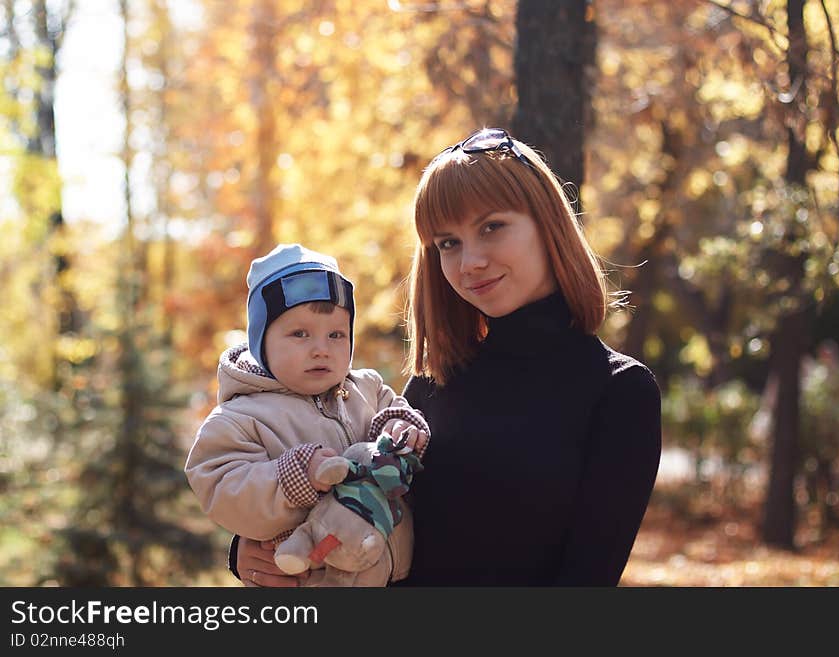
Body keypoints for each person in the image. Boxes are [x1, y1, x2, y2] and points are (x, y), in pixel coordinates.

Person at [237, 127, 661, 586]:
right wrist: (253, 550)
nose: (469, 262)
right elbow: (351, 500)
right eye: (448, 243)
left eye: (491, 227)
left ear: (548, 224)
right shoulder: (433, 383)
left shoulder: (618, 391)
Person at [186, 243, 429, 587]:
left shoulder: (368, 389)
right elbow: (222, 487)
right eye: (299, 334)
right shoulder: (240, 417)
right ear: (261, 343)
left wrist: (401, 427)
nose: (321, 349)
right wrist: (295, 476)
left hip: (393, 575)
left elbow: (402, 414)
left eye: (336, 334)